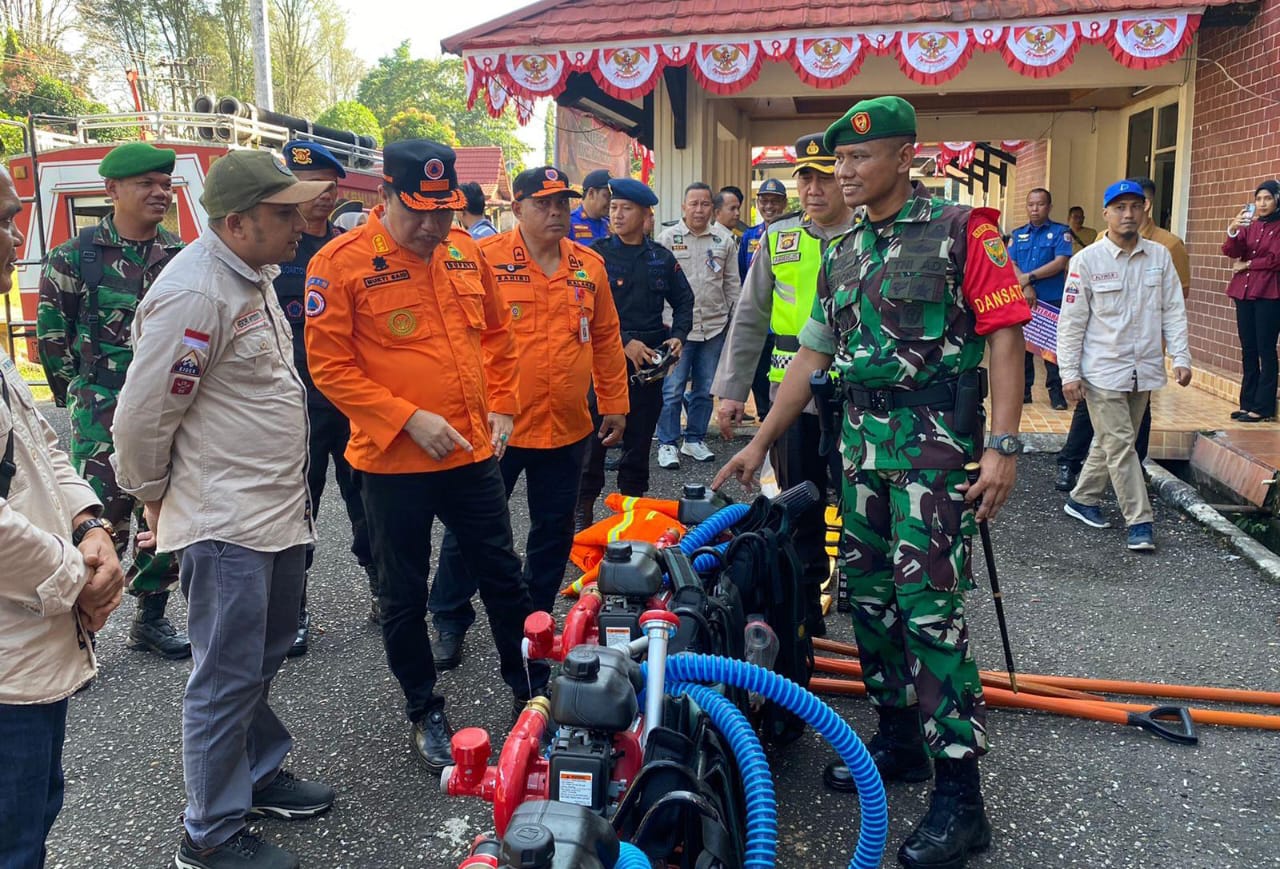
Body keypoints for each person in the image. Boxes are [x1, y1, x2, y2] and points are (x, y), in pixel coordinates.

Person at [715, 96, 1031, 869]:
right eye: (836, 162)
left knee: (931, 616)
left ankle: (962, 799)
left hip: (932, 455)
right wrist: (760, 443)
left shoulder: (964, 231)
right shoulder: (843, 250)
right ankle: (898, 738)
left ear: (904, 157)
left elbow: (1006, 333)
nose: (844, 173)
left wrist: (1004, 445)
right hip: (861, 455)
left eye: (858, 158)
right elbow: (808, 360)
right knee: (870, 601)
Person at [112, 150, 336, 869]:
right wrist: (153, 501)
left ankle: (258, 769)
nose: (299, 222)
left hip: (271, 513)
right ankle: (207, 832)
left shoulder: (253, 272)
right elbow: (142, 421)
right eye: (283, 212)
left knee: (262, 657)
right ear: (237, 222)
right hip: (226, 522)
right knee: (225, 675)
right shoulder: (197, 292)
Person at [303, 140, 551, 773]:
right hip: (392, 466)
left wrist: (504, 404)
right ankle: (423, 707)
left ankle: (531, 694)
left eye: (444, 211)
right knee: (402, 594)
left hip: (471, 455)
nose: (434, 226)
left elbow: (499, 335)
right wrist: (406, 417)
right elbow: (329, 367)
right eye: (419, 212)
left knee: (502, 574)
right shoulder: (341, 262)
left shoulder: (465, 250)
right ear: (384, 195)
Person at [428, 166, 629, 669]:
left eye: (563, 202)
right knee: (474, 528)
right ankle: (450, 617)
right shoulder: (482, 260)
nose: (557, 211)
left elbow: (605, 339)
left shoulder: (589, 265)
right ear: (516, 209)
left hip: (566, 425)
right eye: (543, 203)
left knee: (553, 529)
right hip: (498, 426)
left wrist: (615, 403)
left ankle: (534, 620)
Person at [0, 163, 125, 869]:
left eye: (16, 216)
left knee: (36, 811)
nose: (17, 237)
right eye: (1, 221)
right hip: (11, 648)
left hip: (31, 632)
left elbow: (37, 442)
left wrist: (89, 524)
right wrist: (74, 572)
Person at [35, 141, 190, 660]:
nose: (159, 193)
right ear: (112, 190)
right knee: (99, 518)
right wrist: (82, 399)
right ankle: (86, 624)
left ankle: (151, 618)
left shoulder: (182, 255)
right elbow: (52, 340)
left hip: (169, 407)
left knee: (165, 512)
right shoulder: (74, 257)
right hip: (102, 405)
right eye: (145, 183)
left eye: (165, 184)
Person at [712, 132, 853, 638]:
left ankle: (860, 596)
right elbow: (749, 318)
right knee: (800, 503)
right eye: (805, 178)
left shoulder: (871, 235)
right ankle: (806, 611)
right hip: (791, 401)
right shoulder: (779, 238)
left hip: (856, 397)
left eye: (823, 176)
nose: (813, 189)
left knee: (860, 501)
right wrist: (731, 391)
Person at [275, 140, 376, 654]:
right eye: (307, 186)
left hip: (350, 405)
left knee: (368, 506)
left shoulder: (348, 251)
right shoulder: (275, 252)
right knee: (297, 512)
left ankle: (383, 592)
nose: (319, 196)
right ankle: (292, 610)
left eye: (327, 187)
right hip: (294, 409)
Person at [1059, 179, 1192, 552]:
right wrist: (1069, 373)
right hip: (1102, 370)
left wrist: (1181, 357)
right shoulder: (1086, 261)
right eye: (1120, 208)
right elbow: (1071, 322)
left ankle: (1082, 499)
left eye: (1135, 206)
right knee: (1121, 446)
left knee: (1117, 442)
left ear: (1144, 210)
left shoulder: (1160, 256)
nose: (1128, 214)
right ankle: (1140, 521)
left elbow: (1173, 311)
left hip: (1144, 369)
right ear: (1106, 213)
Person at [577, 179, 694, 526]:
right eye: (613, 208)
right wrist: (623, 341)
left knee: (639, 441)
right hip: (605, 358)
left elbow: (684, 300)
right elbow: (584, 307)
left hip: (648, 366)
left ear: (645, 215)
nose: (617, 214)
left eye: (626, 208)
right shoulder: (595, 255)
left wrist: (679, 336)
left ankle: (628, 515)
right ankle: (581, 512)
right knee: (594, 441)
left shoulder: (660, 257)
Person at [655, 182, 739, 468]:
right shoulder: (667, 239)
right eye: (694, 203)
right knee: (672, 388)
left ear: (712, 208)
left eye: (705, 204)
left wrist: (734, 321)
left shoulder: (724, 240)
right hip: (677, 330)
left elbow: (732, 284)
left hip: (714, 326)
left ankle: (694, 440)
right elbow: (658, 286)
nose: (699, 209)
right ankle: (667, 443)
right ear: (683, 206)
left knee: (704, 388)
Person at [1007, 187, 1072, 409]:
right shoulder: (1017, 235)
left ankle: (1056, 394)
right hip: (1023, 299)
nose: (1035, 209)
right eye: (1031, 204)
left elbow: (1060, 262)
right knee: (1023, 347)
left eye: (1040, 204)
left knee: (1051, 349)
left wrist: (1028, 278)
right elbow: (1011, 263)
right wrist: (1025, 286)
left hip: (1051, 299)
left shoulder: (1060, 232)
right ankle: (1023, 392)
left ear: (1049, 207)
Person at [1222, 180, 1280, 422]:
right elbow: (1230, 250)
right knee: (1248, 349)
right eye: (1259, 199)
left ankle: (1263, 406)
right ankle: (1247, 402)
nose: (1262, 203)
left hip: (1269, 293)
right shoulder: (1251, 225)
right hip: (1243, 293)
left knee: (1266, 349)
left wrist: (1247, 265)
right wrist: (1233, 229)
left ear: (1277, 199)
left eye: (1267, 198)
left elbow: (1275, 259)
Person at [737, 178, 791, 421]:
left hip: (783, 318)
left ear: (785, 203)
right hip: (759, 317)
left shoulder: (793, 232)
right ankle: (763, 413)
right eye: (764, 201)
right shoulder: (749, 236)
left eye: (775, 201)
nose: (769, 206)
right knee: (759, 371)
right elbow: (742, 275)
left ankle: (781, 412)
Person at [569, 169, 611, 242]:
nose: (611, 202)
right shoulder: (569, 223)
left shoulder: (610, 225)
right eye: (607, 196)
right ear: (591, 193)